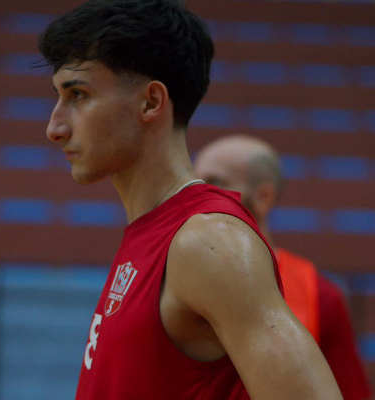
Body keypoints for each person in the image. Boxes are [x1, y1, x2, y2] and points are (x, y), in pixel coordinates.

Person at [39, 0, 342, 398]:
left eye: (78, 94)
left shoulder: (209, 242)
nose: (55, 127)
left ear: (151, 102)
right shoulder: (158, 232)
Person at [195, 134, 372, 400]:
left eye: (215, 182)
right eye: (195, 183)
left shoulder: (319, 294)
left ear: (263, 198)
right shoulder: (168, 280)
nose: (197, 196)